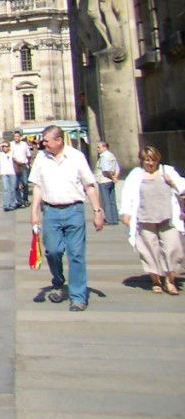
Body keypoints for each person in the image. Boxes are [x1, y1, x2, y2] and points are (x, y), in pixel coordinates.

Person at [28, 124, 105, 311]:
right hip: (51, 211)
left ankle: (78, 296)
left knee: (76, 254)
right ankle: (59, 281)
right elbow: (38, 186)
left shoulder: (76, 157)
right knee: (52, 251)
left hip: (74, 210)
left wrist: (97, 211)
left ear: (59, 140)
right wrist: (34, 212)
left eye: (46, 140)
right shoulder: (41, 158)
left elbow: (89, 185)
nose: (42, 143)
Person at [118, 145, 185, 295]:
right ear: (142, 161)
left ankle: (170, 280)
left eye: (152, 160)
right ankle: (156, 280)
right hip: (145, 218)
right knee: (149, 251)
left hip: (167, 217)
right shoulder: (136, 175)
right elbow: (128, 194)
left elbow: (182, 188)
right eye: (146, 160)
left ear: (157, 159)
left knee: (174, 248)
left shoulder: (167, 171)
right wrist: (126, 213)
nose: (149, 163)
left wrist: (172, 183)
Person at [94, 141, 120, 225]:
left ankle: (109, 219)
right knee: (112, 200)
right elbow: (117, 167)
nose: (97, 149)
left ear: (105, 147)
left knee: (106, 201)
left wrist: (112, 177)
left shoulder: (104, 157)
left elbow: (105, 170)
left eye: (99, 147)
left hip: (104, 180)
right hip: (111, 180)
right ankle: (115, 218)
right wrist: (115, 177)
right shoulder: (111, 155)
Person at [11, 131, 31, 206]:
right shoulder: (11, 144)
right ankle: (19, 201)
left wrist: (28, 163)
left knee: (25, 183)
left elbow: (28, 155)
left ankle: (25, 199)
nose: (16, 138)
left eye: (17, 136)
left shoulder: (24, 144)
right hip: (14, 166)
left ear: (20, 137)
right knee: (15, 185)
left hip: (23, 165)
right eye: (15, 136)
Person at [0, 141, 17, 211]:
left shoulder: (12, 152)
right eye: (3, 146)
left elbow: (16, 157)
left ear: (9, 147)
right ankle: (6, 205)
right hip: (4, 173)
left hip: (12, 173)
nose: (4, 148)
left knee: (12, 189)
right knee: (6, 189)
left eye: (6, 146)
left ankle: (12, 204)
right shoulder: (1, 154)